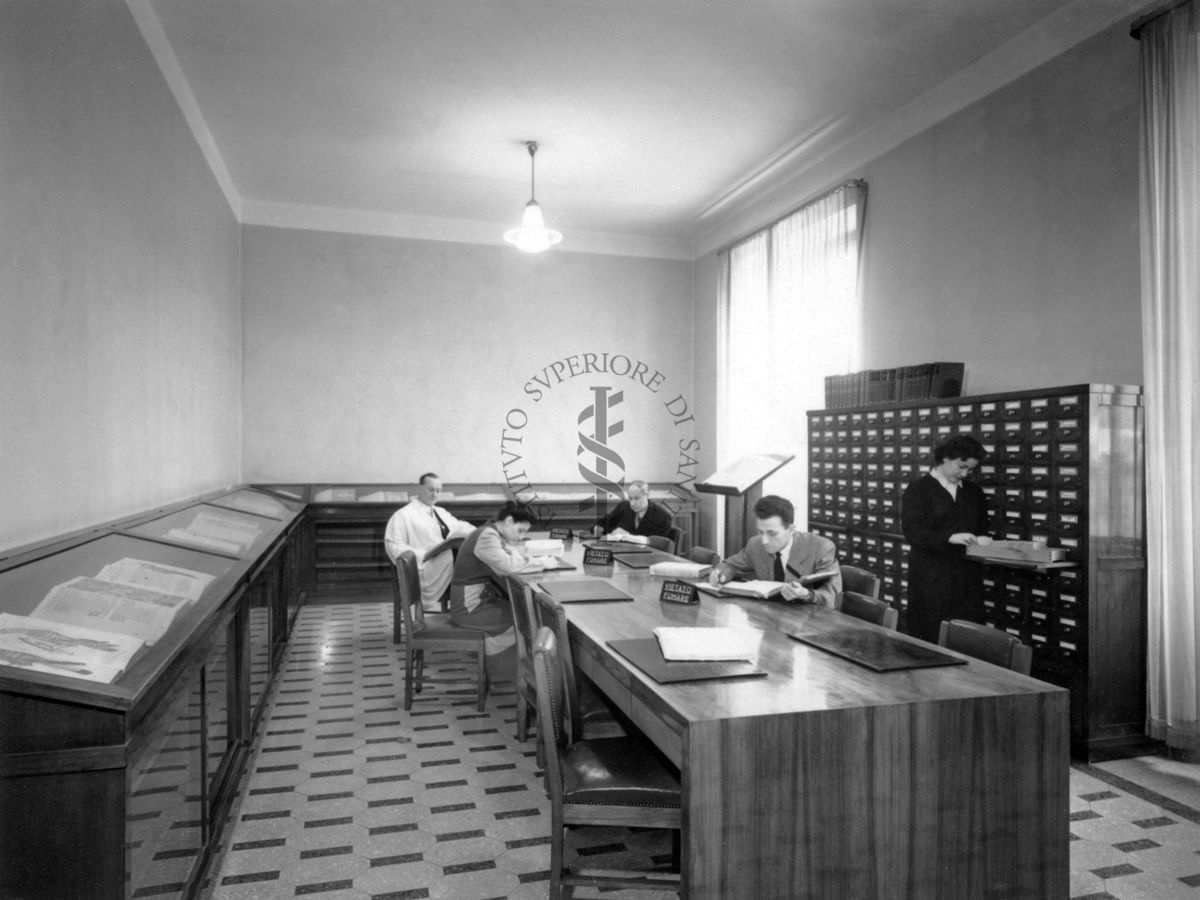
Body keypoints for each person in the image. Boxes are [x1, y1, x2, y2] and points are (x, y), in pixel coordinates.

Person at [900, 434, 992, 643]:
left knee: (967, 635)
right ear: (945, 458)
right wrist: (949, 538)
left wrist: (984, 539)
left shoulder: (973, 492)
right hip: (931, 575)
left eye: (970, 469)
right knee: (930, 633)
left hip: (966, 575)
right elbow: (913, 532)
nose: (965, 473)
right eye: (961, 466)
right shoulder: (919, 489)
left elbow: (982, 526)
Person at [708, 494, 841, 607]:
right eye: (761, 532)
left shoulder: (821, 548)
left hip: (809, 622)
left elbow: (831, 597)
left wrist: (807, 594)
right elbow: (731, 565)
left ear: (791, 529)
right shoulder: (755, 544)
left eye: (772, 533)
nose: (765, 540)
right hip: (770, 617)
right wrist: (721, 574)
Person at [449, 502, 543, 658]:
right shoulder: (487, 535)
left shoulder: (491, 530)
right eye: (520, 531)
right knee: (526, 619)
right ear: (509, 521)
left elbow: (509, 556)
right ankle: (497, 661)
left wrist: (521, 558)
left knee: (525, 614)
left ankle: (512, 662)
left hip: (478, 599)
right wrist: (543, 562)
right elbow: (507, 565)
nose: (520, 537)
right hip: (469, 606)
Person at [384, 473, 474, 611]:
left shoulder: (440, 512)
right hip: (424, 569)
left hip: (446, 565)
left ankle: (465, 607)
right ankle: (464, 607)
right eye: (430, 490)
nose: (435, 494)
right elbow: (394, 546)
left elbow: (460, 526)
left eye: (438, 491)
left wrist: (478, 533)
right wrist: (424, 554)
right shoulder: (403, 515)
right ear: (420, 488)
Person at [598, 480, 672, 538]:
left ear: (647, 495)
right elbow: (604, 523)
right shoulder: (623, 506)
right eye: (630, 498)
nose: (632, 503)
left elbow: (660, 544)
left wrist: (629, 536)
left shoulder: (663, 516)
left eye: (637, 498)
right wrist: (600, 529)